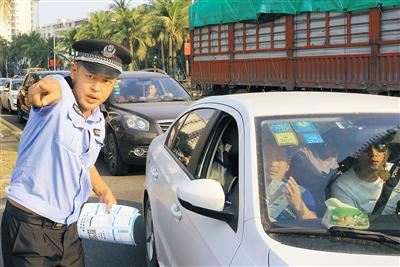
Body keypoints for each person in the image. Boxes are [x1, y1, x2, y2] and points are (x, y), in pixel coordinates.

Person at [1, 39, 132, 266]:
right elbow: (48, 87)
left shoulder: (97, 119)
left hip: (69, 229)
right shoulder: (60, 96)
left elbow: (83, 161)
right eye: (90, 76)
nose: (96, 88)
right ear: (74, 70)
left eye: (107, 81)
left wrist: (103, 190)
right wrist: (38, 90)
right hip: (30, 228)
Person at [330, 141, 393, 215]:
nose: (374, 153)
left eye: (380, 147)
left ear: (386, 152)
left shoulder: (396, 172)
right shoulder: (342, 186)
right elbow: (350, 223)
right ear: (355, 153)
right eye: (366, 148)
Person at [265, 146, 317, 221]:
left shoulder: (300, 192)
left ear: (288, 165)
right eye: (268, 157)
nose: (273, 163)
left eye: (279, 159)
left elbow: (312, 223)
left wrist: (298, 203)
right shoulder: (248, 186)